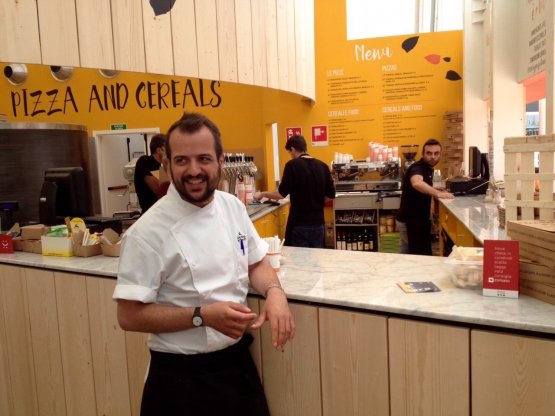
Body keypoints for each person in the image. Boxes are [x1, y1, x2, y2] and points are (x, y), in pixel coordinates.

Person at [113, 112, 295, 416]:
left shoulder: (232, 207)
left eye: (204, 159)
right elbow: (128, 316)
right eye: (182, 160)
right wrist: (202, 316)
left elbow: (256, 261)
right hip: (179, 381)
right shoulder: (147, 232)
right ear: (167, 165)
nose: (193, 170)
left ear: (220, 161)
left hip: (237, 369)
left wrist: (275, 293)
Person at [254, 135, 335, 248]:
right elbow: (331, 195)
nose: (291, 155)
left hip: (299, 224)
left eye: (289, 152)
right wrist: (316, 202)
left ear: (292, 149)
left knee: (299, 261)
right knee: (316, 260)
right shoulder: (323, 166)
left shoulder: (292, 165)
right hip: (318, 224)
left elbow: (280, 194)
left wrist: (262, 194)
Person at [396, 138, 455, 255]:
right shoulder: (417, 167)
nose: (433, 157)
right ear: (423, 154)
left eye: (436, 153)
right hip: (411, 222)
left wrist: (433, 188)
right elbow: (417, 182)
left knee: (408, 255)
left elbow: (422, 184)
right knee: (419, 256)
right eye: (429, 153)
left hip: (415, 219)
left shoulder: (427, 169)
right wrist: (438, 194)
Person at [134, 133, 165, 213]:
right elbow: (158, 189)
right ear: (159, 150)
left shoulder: (162, 167)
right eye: (168, 149)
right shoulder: (145, 161)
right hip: (150, 213)